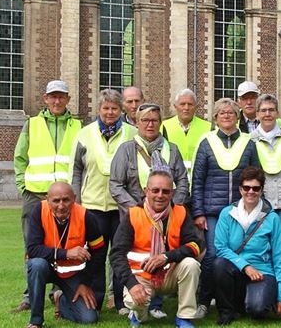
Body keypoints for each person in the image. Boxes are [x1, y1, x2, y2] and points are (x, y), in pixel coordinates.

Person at [110, 103, 189, 319]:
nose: (150, 124)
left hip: (167, 216)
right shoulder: (126, 149)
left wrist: (173, 207)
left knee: (162, 255)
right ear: (136, 122)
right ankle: (128, 302)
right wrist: (137, 209)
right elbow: (116, 184)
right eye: (145, 120)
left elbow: (182, 181)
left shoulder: (172, 149)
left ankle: (157, 303)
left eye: (154, 120)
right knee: (132, 256)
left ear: (160, 122)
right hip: (135, 216)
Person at [13, 80, 82, 313]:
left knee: (64, 242)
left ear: (68, 99)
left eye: (61, 96)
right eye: (53, 96)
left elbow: (81, 161)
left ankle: (57, 292)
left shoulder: (78, 126)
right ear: (45, 99)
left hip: (65, 197)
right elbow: (20, 157)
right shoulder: (31, 124)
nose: (57, 101)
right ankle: (30, 296)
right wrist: (23, 185)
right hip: (35, 193)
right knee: (31, 246)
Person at [70, 89, 137, 315]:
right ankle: (96, 300)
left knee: (120, 254)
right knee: (96, 256)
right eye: (105, 108)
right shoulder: (84, 134)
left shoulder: (131, 133)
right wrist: (77, 204)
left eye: (114, 108)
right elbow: (76, 171)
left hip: (122, 209)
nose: (110, 112)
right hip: (93, 206)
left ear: (121, 110)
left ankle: (121, 301)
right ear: (98, 109)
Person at [190, 98, 259, 317]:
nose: (227, 116)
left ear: (237, 117)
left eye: (230, 112)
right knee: (212, 255)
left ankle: (231, 300)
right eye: (222, 113)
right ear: (215, 118)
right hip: (212, 211)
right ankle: (203, 300)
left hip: (239, 210)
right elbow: (198, 179)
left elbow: (256, 175)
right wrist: (198, 212)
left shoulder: (248, 142)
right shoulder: (207, 142)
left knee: (238, 253)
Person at [110, 171, 202, 328]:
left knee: (191, 265)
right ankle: (138, 315)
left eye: (166, 191)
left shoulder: (181, 212)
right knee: (135, 302)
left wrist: (166, 256)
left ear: (172, 193)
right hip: (141, 276)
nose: (160, 195)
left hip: (170, 272)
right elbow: (116, 255)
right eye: (155, 190)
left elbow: (195, 245)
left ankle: (184, 317)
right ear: (146, 191)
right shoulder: (133, 214)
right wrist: (132, 284)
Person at [213, 166, 281, 325]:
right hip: (237, 270)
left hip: (263, 272)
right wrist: (246, 266)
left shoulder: (272, 218)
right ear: (240, 189)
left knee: (257, 310)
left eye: (256, 188)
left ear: (261, 190)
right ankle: (227, 311)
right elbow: (220, 248)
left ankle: (250, 302)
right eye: (247, 187)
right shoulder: (227, 213)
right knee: (219, 264)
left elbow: (280, 257)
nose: (251, 192)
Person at [25, 182, 105, 328]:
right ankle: (36, 321)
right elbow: (32, 249)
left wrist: (85, 283)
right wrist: (66, 253)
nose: (61, 205)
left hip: (72, 274)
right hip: (46, 268)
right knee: (36, 264)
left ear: (74, 198)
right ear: (47, 199)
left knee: (89, 318)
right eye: (56, 200)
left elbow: (99, 251)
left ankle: (61, 301)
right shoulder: (39, 211)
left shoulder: (86, 216)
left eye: (66, 200)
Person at [250, 94, 281, 313]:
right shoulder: (250, 139)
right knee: (265, 248)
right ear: (257, 114)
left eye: (271, 110)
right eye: (263, 110)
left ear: (277, 113)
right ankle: (267, 293)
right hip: (263, 202)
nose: (267, 114)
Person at [161, 88, 212, 180]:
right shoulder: (163, 126)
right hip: (172, 179)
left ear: (196, 107)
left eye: (190, 104)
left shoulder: (208, 127)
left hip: (199, 178)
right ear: (175, 106)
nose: (186, 108)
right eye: (182, 104)